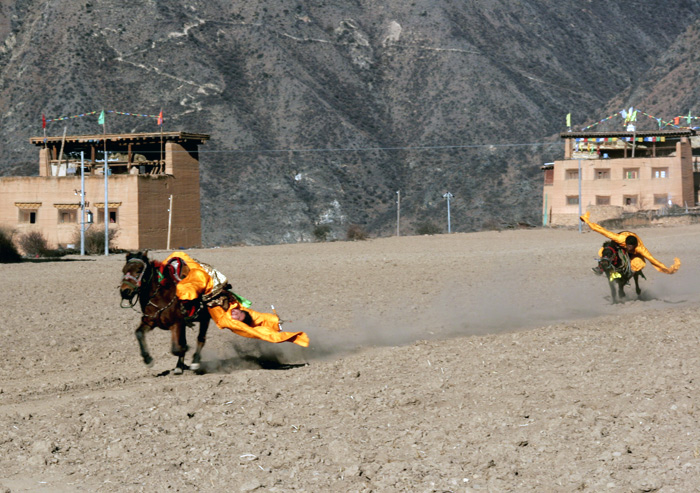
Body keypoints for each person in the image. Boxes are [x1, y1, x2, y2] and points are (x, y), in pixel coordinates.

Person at [163, 251, 309, 348]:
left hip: (202, 286)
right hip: (209, 278)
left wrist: (290, 337)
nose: (235, 314)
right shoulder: (238, 306)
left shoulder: (229, 321)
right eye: (238, 314)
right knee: (180, 256)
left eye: (237, 317)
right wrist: (276, 321)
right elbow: (259, 317)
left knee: (187, 290)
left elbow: (258, 333)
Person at [580, 211, 680, 276]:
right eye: (628, 246)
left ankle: (629, 275)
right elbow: (601, 230)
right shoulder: (620, 239)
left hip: (634, 254)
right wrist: (587, 221)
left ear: (634, 246)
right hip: (618, 244)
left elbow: (654, 260)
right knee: (606, 250)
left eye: (631, 247)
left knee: (638, 263)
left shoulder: (640, 249)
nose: (629, 248)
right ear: (626, 244)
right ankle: (600, 267)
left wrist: (669, 270)